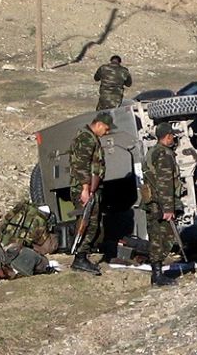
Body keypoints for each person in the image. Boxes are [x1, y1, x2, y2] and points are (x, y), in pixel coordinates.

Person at [69, 112, 116, 275]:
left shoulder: (90, 138)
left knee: (92, 222)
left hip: (91, 188)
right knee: (87, 222)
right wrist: (84, 188)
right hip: (85, 189)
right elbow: (80, 165)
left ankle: (82, 255)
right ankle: (79, 257)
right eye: (107, 128)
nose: (107, 132)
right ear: (99, 124)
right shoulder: (86, 138)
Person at [142, 122, 183, 287]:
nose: (174, 138)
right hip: (159, 204)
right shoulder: (164, 154)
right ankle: (158, 275)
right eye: (172, 135)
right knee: (162, 238)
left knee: (156, 237)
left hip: (153, 202)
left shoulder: (153, 152)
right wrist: (168, 208)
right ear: (167, 136)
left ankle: (156, 274)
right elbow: (165, 183)